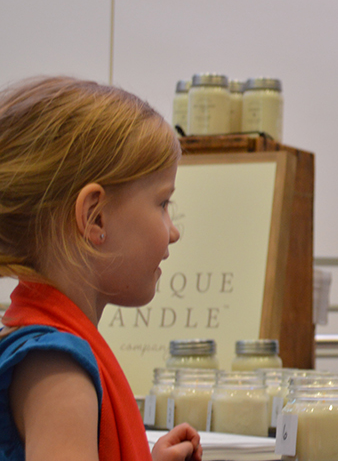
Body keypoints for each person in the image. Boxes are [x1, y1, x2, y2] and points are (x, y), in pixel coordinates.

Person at [0, 76, 203, 461]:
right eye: (163, 204)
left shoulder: (45, 350)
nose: (173, 232)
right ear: (95, 218)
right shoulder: (59, 372)